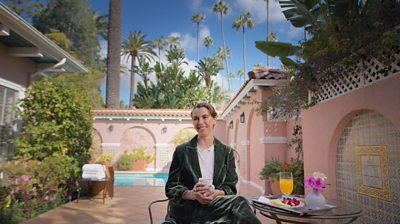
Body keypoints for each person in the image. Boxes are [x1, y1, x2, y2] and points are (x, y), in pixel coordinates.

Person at [165, 102, 261, 224]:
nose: (200, 122)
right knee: (239, 205)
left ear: (214, 119)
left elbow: (230, 188)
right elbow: (171, 187)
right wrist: (191, 194)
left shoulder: (227, 153)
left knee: (239, 203)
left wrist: (215, 193)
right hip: (188, 209)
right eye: (196, 118)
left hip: (215, 207)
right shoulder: (182, 151)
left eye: (205, 117)